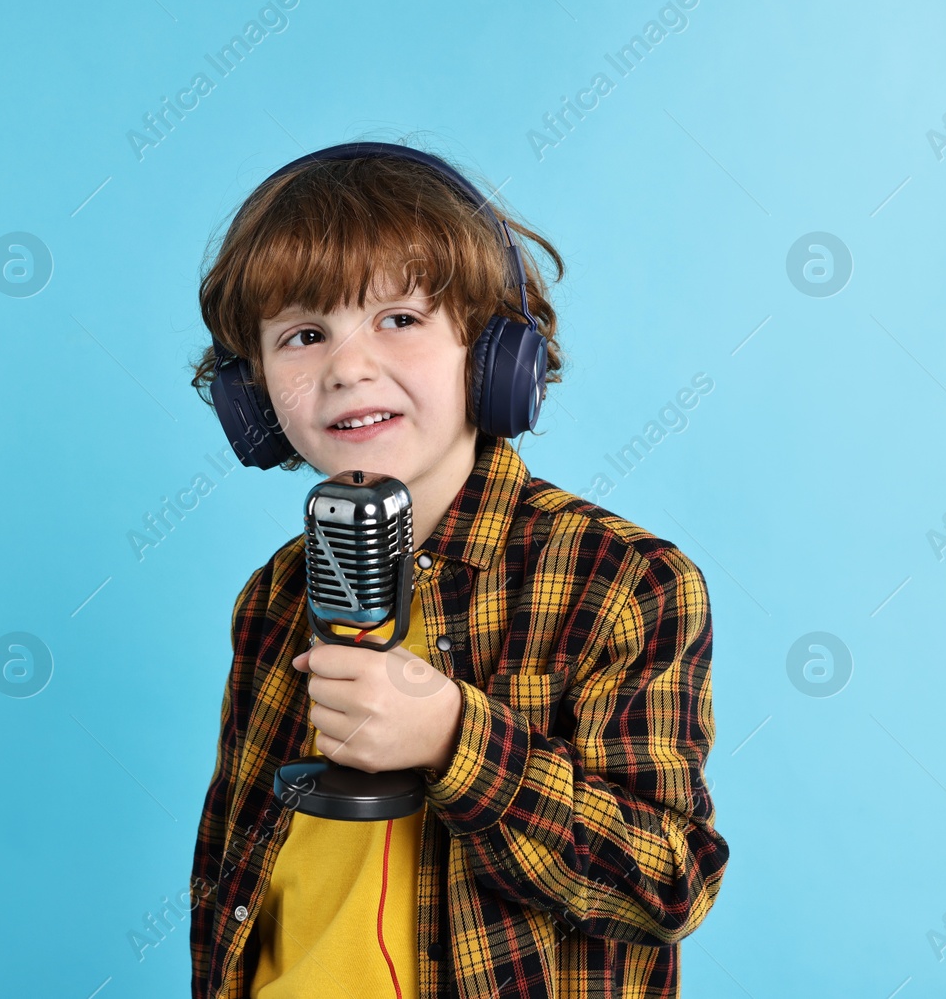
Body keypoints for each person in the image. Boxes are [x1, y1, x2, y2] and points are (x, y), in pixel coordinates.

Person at [185, 141, 730, 999]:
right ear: (251, 396)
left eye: (398, 318)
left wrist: (455, 740)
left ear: (493, 355)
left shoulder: (623, 580)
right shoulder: (275, 596)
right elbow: (234, 868)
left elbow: (668, 879)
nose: (347, 367)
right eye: (303, 334)